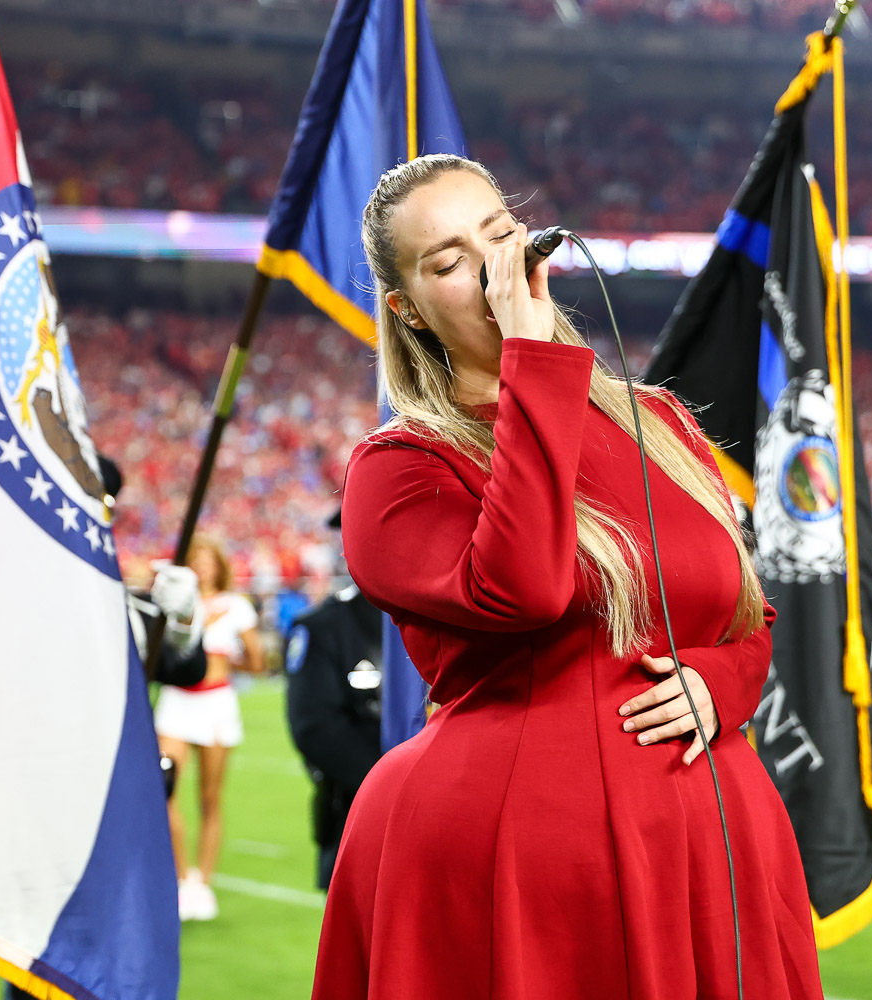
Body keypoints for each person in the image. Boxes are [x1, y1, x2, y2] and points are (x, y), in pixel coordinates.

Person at [312, 154, 822, 998]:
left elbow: (747, 613)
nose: (490, 266)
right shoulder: (398, 467)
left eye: (499, 235)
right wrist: (531, 363)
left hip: (714, 835)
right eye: (448, 261)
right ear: (408, 312)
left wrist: (715, 684)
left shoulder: (657, 422)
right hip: (520, 853)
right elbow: (524, 591)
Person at [153, 536, 264, 922]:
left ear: (218, 565)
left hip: (216, 704)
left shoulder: (236, 606)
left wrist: (224, 661)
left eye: (208, 560)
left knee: (210, 798)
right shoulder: (173, 601)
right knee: (163, 789)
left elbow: (256, 660)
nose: (202, 567)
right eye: (195, 560)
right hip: (177, 703)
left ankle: (204, 883)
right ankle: (182, 878)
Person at [285, 510, 383, 890]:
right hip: (360, 814)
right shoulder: (325, 626)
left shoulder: (448, 615)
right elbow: (315, 726)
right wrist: (403, 785)